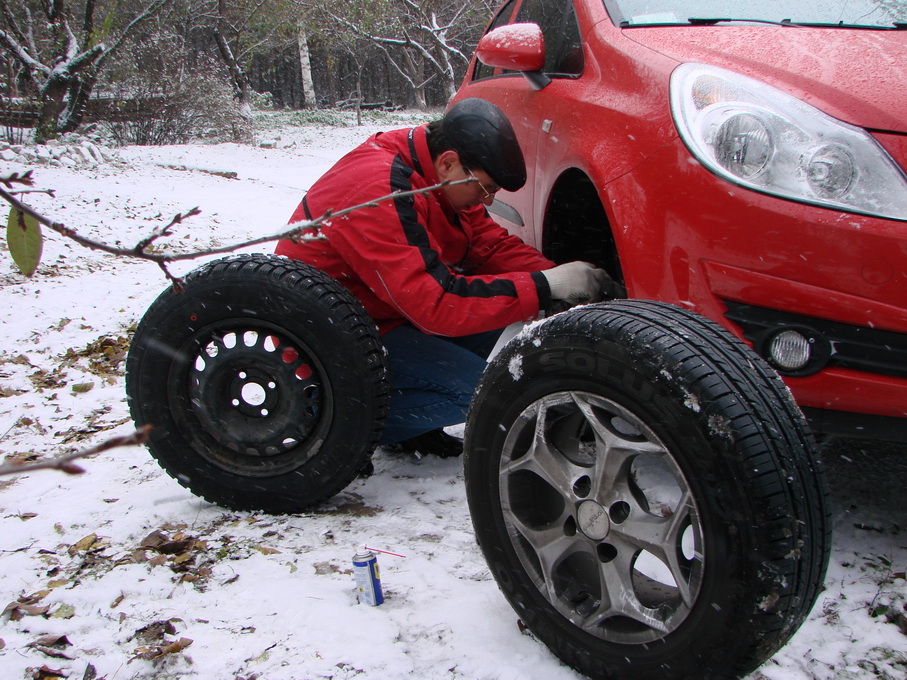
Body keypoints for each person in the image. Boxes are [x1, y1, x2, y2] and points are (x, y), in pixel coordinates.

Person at [276, 98, 610, 458]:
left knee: (500, 303)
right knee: (482, 394)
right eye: (484, 188)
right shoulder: (378, 189)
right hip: (331, 339)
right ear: (449, 162)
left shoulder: (432, 178)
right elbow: (435, 305)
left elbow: (487, 245)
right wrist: (546, 287)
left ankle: (414, 427)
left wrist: (557, 274)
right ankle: (326, 426)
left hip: (380, 311)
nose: (486, 201)